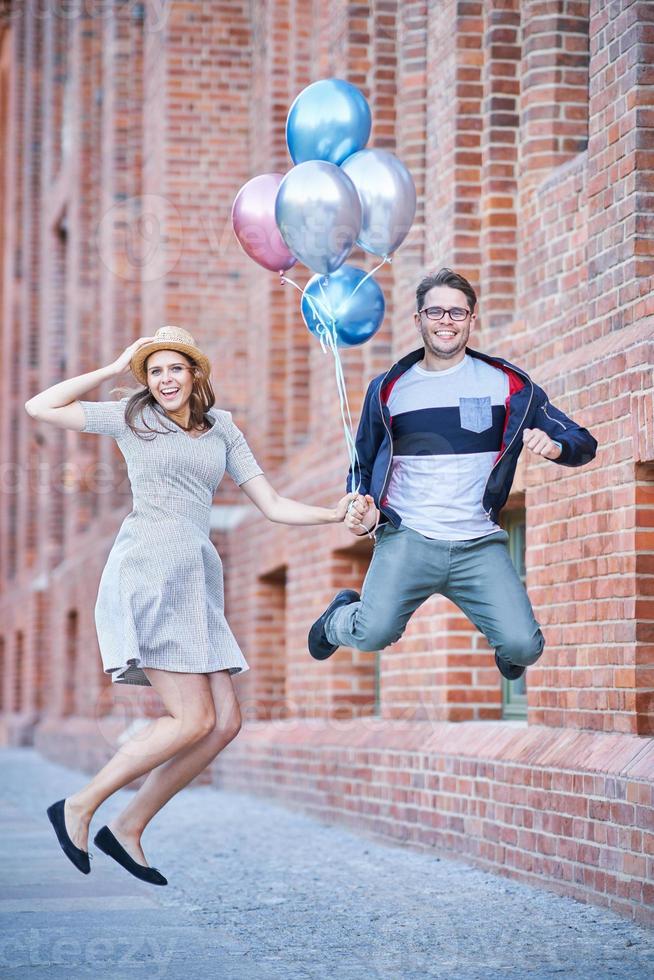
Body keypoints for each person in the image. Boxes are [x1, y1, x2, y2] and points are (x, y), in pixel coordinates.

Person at [25, 325, 354, 885]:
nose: (165, 380)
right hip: (149, 573)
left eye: (174, 368)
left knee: (224, 723)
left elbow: (271, 503)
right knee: (193, 717)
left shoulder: (221, 428)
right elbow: (42, 405)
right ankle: (79, 806)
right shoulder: (134, 417)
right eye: (154, 371)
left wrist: (334, 514)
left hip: (197, 580)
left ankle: (127, 827)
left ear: (195, 373)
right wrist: (113, 368)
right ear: (145, 380)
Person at [308, 268, 598, 684]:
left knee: (524, 647)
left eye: (457, 313)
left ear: (472, 320)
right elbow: (363, 462)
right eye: (436, 311)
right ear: (418, 320)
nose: (446, 321)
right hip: (408, 539)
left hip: (478, 543)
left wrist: (557, 448)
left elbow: (581, 440)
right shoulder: (389, 387)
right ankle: (337, 617)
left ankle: (509, 642)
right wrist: (361, 505)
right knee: (372, 633)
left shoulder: (509, 384)